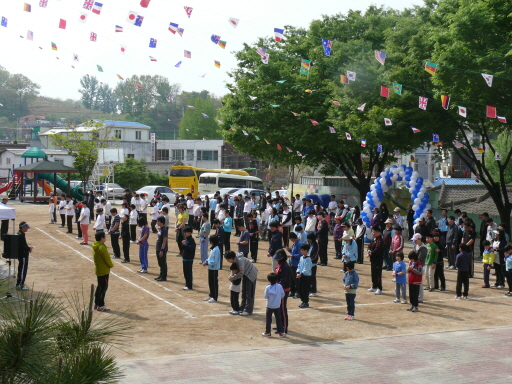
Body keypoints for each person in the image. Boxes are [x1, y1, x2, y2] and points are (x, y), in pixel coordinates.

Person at [225, 251, 258, 316]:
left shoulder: (240, 260)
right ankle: (242, 308)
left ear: (231, 258)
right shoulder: (236, 260)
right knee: (244, 291)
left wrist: (233, 277)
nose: (227, 261)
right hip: (246, 275)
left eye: (227, 259)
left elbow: (241, 273)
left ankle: (248, 310)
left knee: (249, 293)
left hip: (251, 275)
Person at [93, 231, 114, 312]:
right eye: (104, 236)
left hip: (99, 269)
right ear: (102, 238)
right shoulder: (101, 247)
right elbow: (107, 258)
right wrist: (111, 265)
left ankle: (96, 303)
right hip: (104, 270)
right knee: (103, 288)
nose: (105, 238)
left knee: (99, 287)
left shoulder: (96, 245)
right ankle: (101, 304)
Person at [262, 272, 285, 338]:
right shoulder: (279, 286)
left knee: (268, 320)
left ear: (268, 280)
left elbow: (266, 296)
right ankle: (281, 332)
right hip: (277, 305)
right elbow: (282, 294)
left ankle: (268, 332)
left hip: (269, 306)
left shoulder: (268, 287)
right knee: (278, 319)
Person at [274, 249, 291, 334]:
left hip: (283, 290)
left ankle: (284, 328)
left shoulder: (285, 266)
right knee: (278, 309)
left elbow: (283, 280)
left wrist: (277, 288)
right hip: (278, 289)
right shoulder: (279, 265)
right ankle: (279, 325)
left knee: (282, 309)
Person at [203, 235, 220, 302]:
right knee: (210, 282)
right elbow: (210, 258)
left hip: (214, 268)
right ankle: (211, 295)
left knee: (214, 283)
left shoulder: (216, 249)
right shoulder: (213, 249)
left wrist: (207, 263)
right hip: (210, 268)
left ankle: (215, 297)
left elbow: (214, 261)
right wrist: (206, 261)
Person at [15, 222, 32, 290]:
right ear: (22, 227)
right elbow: (22, 246)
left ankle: (20, 284)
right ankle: (19, 285)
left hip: (22, 254)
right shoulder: (20, 235)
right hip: (23, 255)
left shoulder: (20, 234)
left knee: (22, 269)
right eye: (25, 227)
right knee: (22, 270)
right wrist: (29, 248)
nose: (27, 228)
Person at [367, 226, 384, 295]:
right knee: (373, 273)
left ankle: (379, 288)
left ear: (378, 233)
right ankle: (374, 286)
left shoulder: (380, 240)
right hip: (373, 259)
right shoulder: (374, 239)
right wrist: (368, 250)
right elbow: (370, 245)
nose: (373, 233)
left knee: (378, 274)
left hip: (378, 260)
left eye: (374, 232)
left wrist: (371, 253)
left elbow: (378, 249)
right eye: (372, 232)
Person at [412, 233, 428, 303]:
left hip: (421, 266)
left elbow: (421, 259)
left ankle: (420, 297)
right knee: (415, 281)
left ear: (419, 239)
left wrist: (413, 261)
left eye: (415, 240)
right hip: (415, 265)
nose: (414, 241)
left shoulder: (423, 248)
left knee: (419, 282)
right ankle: (417, 296)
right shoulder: (415, 246)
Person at [296, 243, 313, 308]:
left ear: (307, 251)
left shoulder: (308, 259)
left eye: (303, 250)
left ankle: (306, 302)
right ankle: (303, 301)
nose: (301, 251)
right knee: (300, 289)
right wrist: (298, 272)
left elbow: (307, 268)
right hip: (300, 276)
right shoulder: (301, 258)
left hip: (306, 276)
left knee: (305, 289)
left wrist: (301, 274)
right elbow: (299, 266)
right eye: (301, 250)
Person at [287, 232, 302, 299]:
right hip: (292, 263)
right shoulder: (295, 243)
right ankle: (292, 291)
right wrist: (290, 250)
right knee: (291, 278)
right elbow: (293, 252)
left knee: (296, 279)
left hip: (297, 264)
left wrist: (292, 255)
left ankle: (298, 292)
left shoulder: (299, 244)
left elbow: (300, 255)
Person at [155, 216, 168, 282]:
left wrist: (162, 250)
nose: (157, 222)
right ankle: (161, 274)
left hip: (162, 249)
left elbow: (164, 240)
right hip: (158, 247)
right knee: (160, 263)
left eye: (158, 221)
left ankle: (164, 276)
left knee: (163, 263)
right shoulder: (160, 229)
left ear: (162, 222)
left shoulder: (164, 230)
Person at [307, 232, 319, 297]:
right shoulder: (309, 244)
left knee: (312, 277)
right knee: (308, 277)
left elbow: (315, 255)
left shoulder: (316, 245)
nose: (309, 240)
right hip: (307, 263)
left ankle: (313, 290)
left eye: (309, 239)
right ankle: (309, 289)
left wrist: (310, 259)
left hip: (313, 264)